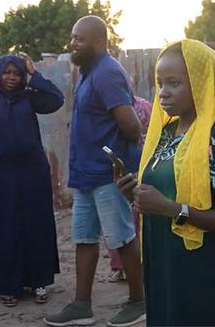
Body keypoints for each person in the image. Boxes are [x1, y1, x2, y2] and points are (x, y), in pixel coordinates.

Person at [117, 39, 215, 326]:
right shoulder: (165, 131)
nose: (163, 93)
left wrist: (173, 209)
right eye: (159, 83)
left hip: (201, 269)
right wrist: (135, 195)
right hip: (165, 262)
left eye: (174, 83)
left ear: (200, 84)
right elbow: (163, 196)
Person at [44, 16, 145, 327]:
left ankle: (139, 302)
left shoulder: (107, 73)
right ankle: (81, 306)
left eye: (80, 39)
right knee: (84, 238)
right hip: (86, 174)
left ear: (99, 41)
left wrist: (122, 164)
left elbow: (131, 125)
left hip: (106, 174)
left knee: (122, 238)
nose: (73, 43)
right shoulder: (89, 71)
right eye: (73, 38)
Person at [0, 53, 63, 307]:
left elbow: (56, 99)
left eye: (17, 73)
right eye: (7, 72)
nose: (12, 78)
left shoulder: (30, 96)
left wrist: (34, 74)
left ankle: (38, 282)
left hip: (32, 174)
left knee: (35, 226)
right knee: (3, 228)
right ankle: (7, 285)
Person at [107, 93, 152, 283]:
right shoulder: (139, 106)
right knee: (130, 218)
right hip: (133, 163)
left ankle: (129, 267)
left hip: (136, 163)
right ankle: (124, 266)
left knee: (129, 218)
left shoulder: (140, 106)